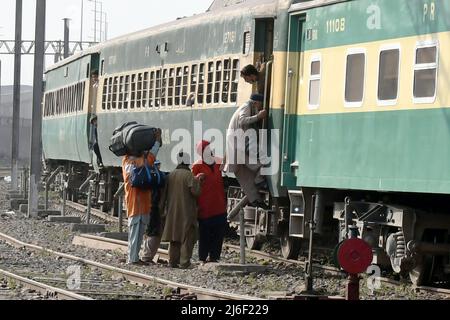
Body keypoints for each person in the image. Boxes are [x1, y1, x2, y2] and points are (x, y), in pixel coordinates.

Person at [122, 130, 162, 265]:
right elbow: (151, 156)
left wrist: (157, 141)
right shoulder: (128, 161)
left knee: (139, 233)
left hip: (143, 203)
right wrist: (156, 142)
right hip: (134, 203)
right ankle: (132, 259)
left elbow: (152, 154)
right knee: (134, 232)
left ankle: (135, 257)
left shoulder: (139, 160)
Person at [223, 93, 269, 208]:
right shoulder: (247, 106)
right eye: (260, 105)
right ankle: (259, 181)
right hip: (240, 143)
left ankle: (255, 199)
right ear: (256, 102)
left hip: (236, 143)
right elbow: (242, 121)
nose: (260, 107)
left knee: (245, 175)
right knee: (262, 160)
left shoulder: (248, 107)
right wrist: (258, 116)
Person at [160, 152, 204, 269]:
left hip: (172, 211)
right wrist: (199, 181)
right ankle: (185, 262)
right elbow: (196, 192)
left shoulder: (170, 175)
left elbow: (163, 195)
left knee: (174, 237)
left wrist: (162, 210)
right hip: (186, 211)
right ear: (188, 162)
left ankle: (172, 261)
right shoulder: (189, 175)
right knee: (187, 236)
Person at [192, 140, 227, 263]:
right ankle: (202, 257)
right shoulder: (197, 166)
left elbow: (228, 163)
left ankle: (215, 257)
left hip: (219, 205)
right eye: (205, 149)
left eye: (209, 148)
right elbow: (192, 185)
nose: (209, 150)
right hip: (205, 207)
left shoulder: (218, 162)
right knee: (205, 234)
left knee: (218, 233)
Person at [141, 160, 166, 264]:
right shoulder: (159, 177)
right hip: (154, 207)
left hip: (146, 206)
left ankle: (146, 255)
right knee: (154, 232)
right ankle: (147, 256)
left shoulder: (146, 176)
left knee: (149, 231)